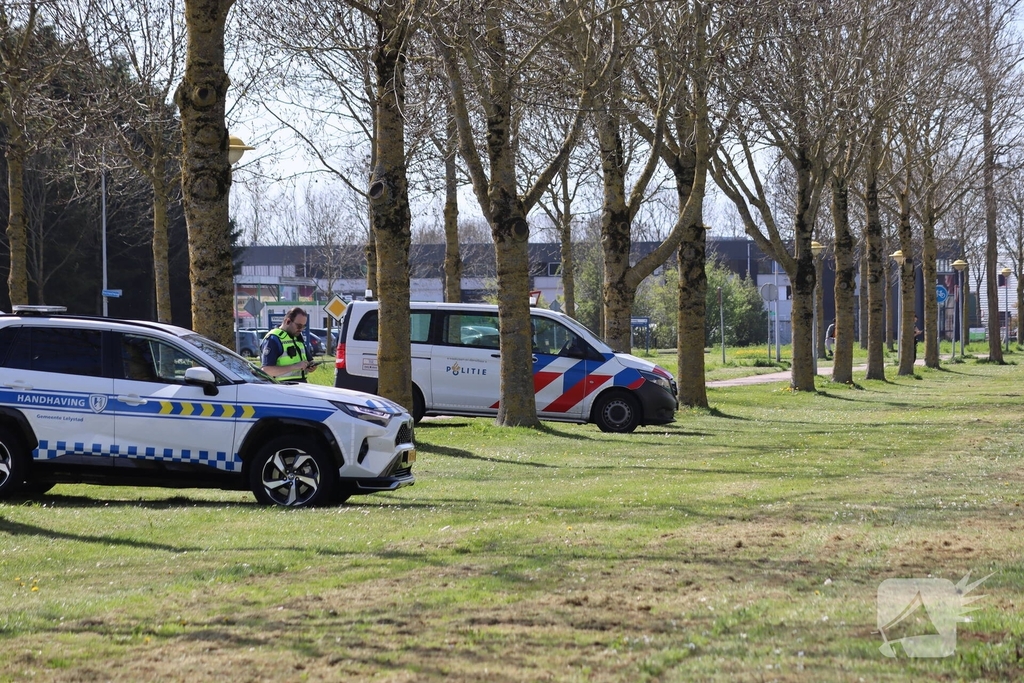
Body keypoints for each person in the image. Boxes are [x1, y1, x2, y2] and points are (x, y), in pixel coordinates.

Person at [261, 307, 318, 382]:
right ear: (287, 321)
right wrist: (295, 367)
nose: (301, 329)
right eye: (299, 326)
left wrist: (312, 366)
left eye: (304, 326)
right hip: (282, 386)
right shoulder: (273, 339)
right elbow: (266, 371)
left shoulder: (297, 337)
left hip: (301, 385)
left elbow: (309, 360)